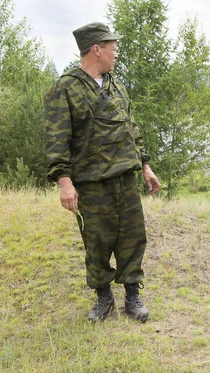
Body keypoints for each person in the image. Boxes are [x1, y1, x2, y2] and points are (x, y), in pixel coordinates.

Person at [44, 22, 161, 322]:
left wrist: (145, 166)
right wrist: (64, 182)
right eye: (113, 47)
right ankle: (103, 298)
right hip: (92, 183)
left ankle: (133, 296)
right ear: (96, 49)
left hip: (125, 178)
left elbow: (131, 129)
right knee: (96, 241)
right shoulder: (65, 88)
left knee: (133, 238)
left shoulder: (116, 85)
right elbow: (57, 140)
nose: (116, 53)